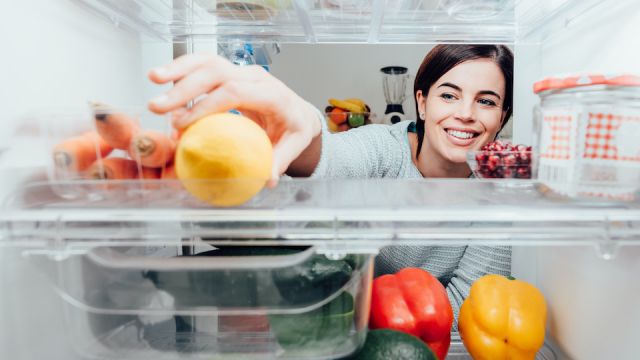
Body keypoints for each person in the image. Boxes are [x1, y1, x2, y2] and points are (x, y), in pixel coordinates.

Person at [147, 44, 513, 328]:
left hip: (411, 335)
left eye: (486, 101)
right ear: (421, 102)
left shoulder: (499, 192)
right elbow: (332, 160)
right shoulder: (384, 147)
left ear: (502, 118)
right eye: (448, 95)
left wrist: (368, 320)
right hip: (335, 317)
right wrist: (304, 123)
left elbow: (472, 305)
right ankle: (151, 286)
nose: (465, 113)